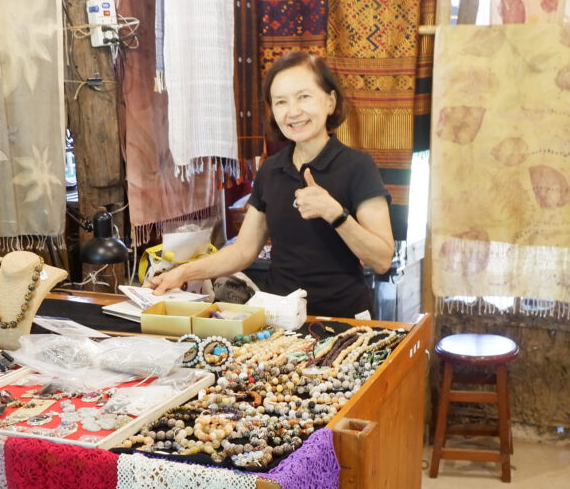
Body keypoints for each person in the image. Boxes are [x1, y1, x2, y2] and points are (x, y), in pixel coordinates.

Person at [147, 51, 395, 318]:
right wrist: (182, 273)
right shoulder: (271, 169)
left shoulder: (358, 167)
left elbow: (381, 260)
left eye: (304, 96)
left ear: (330, 101)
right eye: (281, 102)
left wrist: (335, 213)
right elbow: (243, 251)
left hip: (344, 321)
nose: (293, 112)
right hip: (280, 320)